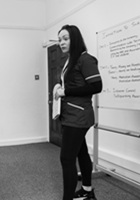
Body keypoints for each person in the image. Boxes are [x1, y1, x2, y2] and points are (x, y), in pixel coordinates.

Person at [54, 25, 102, 200]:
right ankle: (87, 191)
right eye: (59, 39)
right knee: (81, 153)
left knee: (67, 159)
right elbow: (72, 84)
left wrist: (65, 92)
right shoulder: (70, 60)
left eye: (65, 38)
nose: (61, 42)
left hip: (79, 117)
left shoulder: (86, 59)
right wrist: (59, 85)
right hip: (71, 115)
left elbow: (96, 86)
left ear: (75, 39)